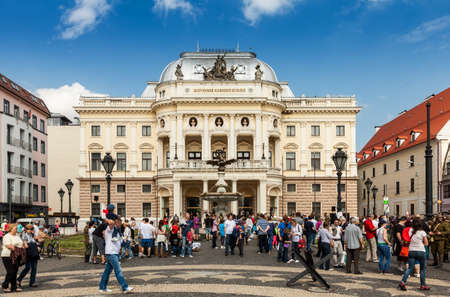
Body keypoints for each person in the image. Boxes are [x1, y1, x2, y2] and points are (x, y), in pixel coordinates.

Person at [99, 219, 133, 294]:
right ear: (115, 223)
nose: (120, 225)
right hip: (111, 254)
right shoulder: (110, 230)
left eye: (121, 224)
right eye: (119, 223)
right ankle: (125, 287)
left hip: (113, 253)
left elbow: (119, 242)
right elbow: (110, 223)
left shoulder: (118, 232)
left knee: (107, 272)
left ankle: (102, 287)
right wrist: (111, 220)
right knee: (118, 271)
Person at [398, 219, 430, 291]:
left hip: (411, 251)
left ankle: (403, 282)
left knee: (410, 268)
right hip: (421, 251)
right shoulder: (422, 232)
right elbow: (426, 243)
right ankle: (423, 285)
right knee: (422, 269)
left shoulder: (410, 231)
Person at [1, 224, 25, 293]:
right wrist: (18, 246)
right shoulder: (7, 236)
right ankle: (5, 285)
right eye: (15, 228)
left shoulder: (17, 236)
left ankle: (14, 287)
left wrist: (17, 246)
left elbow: (21, 244)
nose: (16, 229)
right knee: (10, 271)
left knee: (15, 272)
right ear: (11, 229)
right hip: (7, 256)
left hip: (17, 256)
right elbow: (9, 246)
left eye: (16, 228)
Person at [17, 224, 39, 288]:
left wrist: (37, 243)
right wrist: (26, 243)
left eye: (32, 229)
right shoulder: (24, 234)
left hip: (34, 252)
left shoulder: (32, 234)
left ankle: (32, 282)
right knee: (27, 267)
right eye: (29, 229)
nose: (31, 230)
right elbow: (25, 244)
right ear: (26, 229)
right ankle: (18, 280)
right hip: (28, 252)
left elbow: (36, 241)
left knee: (34, 268)